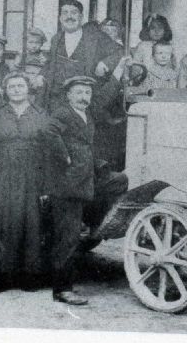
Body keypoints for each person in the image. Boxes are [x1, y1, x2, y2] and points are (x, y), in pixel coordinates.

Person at [45, 76, 128, 306]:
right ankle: (62, 289)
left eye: (87, 93)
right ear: (69, 95)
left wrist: (98, 166)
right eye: (79, 92)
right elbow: (48, 133)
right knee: (67, 238)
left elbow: (85, 147)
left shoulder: (86, 115)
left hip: (83, 181)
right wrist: (65, 157)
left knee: (119, 181)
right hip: (67, 185)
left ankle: (93, 224)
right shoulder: (63, 113)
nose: (84, 97)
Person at [0, 72, 52, 293]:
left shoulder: (41, 114)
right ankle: (3, 275)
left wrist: (45, 186)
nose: (17, 90)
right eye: (12, 86)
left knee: (31, 224)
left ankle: (28, 275)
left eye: (20, 85)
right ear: (5, 91)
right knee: (4, 222)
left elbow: (48, 153)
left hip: (32, 177)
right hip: (3, 175)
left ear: (28, 89)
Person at [42, 0, 119, 112]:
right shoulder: (56, 38)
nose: (69, 16)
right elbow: (50, 62)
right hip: (57, 99)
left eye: (74, 12)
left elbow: (120, 51)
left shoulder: (96, 37)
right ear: (60, 18)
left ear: (81, 17)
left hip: (85, 101)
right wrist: (41, 75)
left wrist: (106, 63)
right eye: (65, 13)